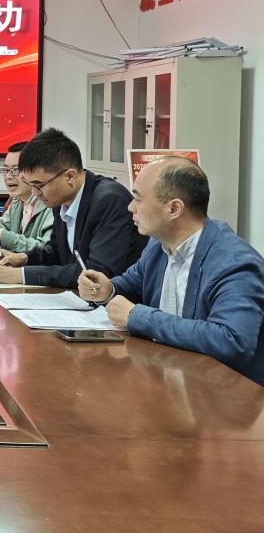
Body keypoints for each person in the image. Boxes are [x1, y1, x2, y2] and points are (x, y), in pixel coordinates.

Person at [79, 158, 264, 385]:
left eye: (138, 199)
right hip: (169, 377)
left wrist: (138, 317)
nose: (130, 207)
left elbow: (232, 341)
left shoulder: (234, 263)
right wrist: (107, 290)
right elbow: (133, 284)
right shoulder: (158, 245)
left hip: (222, 393)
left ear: (174, 209)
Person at [0, 127, 146, 288]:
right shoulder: (60, 198)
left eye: (39, 185)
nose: (35, 193)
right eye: (31, 185)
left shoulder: (109, 200)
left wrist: (19, 275)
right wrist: (23, 258)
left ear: (70, 176)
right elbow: (56, 252)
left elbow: (95, 273)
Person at [0, 141, 53, 252]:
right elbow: (3, 225)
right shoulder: (17, 200)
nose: (8, 176)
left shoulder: (52, 203)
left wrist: (0, 235)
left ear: (35, 170)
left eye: (15, 170)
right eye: (5, 170)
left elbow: (46, 250)